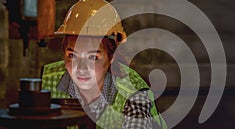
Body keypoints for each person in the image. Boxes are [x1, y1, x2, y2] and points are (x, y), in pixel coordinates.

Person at [41, 0, 167, 129]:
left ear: (111, 56)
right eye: (72, 55)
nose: (81, 68)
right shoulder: (50, 80)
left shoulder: (133, 94)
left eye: (93, 57)